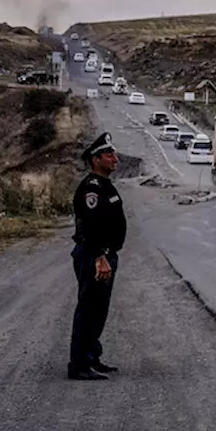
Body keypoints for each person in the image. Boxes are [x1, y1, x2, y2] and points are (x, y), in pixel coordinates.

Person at [67, 132, 128, 381]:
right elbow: (90, 227)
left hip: (103, 254)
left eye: (114, 154)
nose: (115, 158)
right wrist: (99, 258)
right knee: (89, 309)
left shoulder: (104, 185)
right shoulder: (91, 189)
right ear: (96, 160)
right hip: (93, 256)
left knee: (98, 310)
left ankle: (92, 357)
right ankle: (79, 364)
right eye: (109, 155)